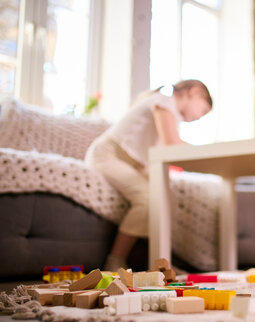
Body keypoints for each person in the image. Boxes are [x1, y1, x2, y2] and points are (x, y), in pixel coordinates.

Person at [85, 79, 213, 271]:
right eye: (202, 111)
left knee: (165, 198)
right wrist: (210, 152)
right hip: (107, 155)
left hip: (131, 162)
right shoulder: (164, 101)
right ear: (194, 92)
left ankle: (161, 265)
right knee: (147, 198)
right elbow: (172, 145)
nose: (199, 117)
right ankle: (115, 260)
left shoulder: (169, 111)